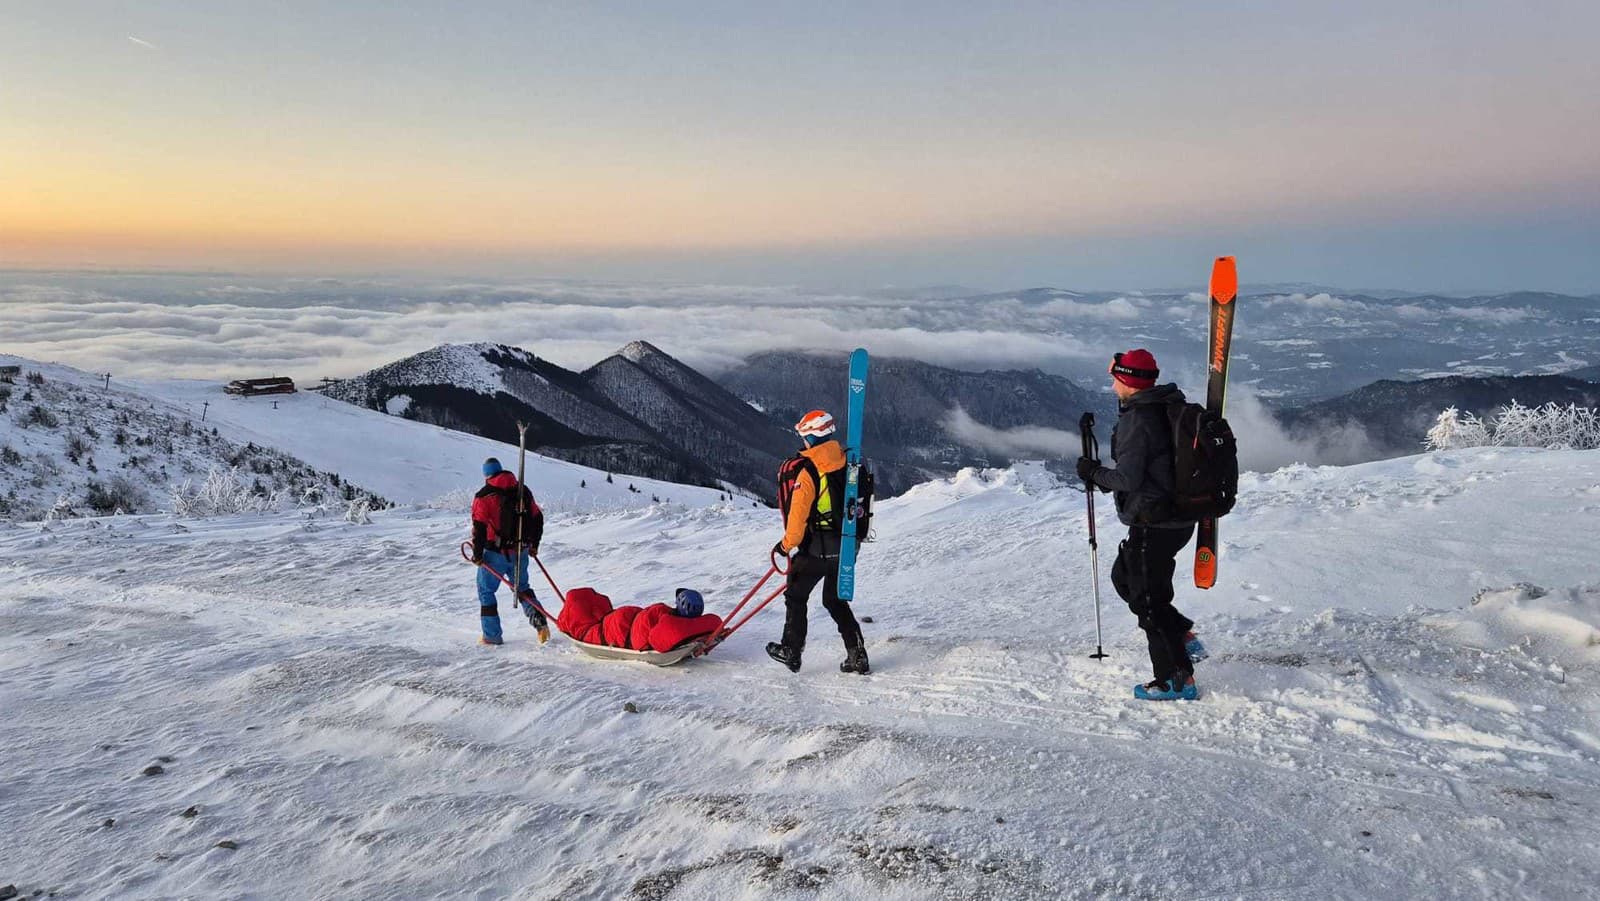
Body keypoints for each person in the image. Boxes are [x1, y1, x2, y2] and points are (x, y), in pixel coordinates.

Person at [1077, 349, 1206, 700]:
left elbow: (1128, 478)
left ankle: (1177, 680)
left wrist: (1092, 473)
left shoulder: (1139, 420)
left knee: (1150, 603)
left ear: (1126, 380)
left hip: (1155, 522)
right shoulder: (1166, 405)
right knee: (1126, 579)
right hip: (1175, 518)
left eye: (1114, 377)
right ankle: (1181, 635)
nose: (1111, 383)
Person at [766, 409, 869, 675]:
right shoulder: (849, 462)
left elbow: (797, 522)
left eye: (804, 437)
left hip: (816, 550)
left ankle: (791, 650)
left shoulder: (809, 472)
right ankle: (857, 654)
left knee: (796, 595)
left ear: (811, 438)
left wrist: (784, 546)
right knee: (834, 601)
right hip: (847, 547)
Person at [469, 457, 548, 645]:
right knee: (522, 589)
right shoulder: (522, 490)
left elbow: (479, 528)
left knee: (486, 592)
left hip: (494, 553)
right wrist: (534, 544)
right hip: (520, 550)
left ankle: (492, 636)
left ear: (486, 475)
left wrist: (478, 555)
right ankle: (541, 624)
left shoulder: (484, 496)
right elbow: (537, 518)